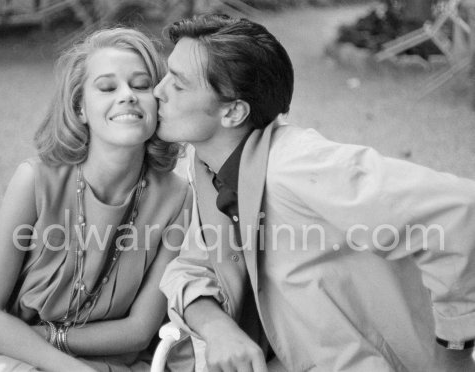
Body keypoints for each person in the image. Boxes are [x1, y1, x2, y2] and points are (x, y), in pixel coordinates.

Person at [156, 14, 475, 372]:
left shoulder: (296, 165)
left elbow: (460, 214)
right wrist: (217, 328)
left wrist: (454, 352)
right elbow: (188, 268)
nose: (158, 91)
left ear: (232, 111)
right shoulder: (210, 167)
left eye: (178, 84)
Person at [0, 28, 192, 372]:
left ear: (159, 102)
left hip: (104, 361)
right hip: (16, 357)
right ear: (80, 108)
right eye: (107, 87)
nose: (127, 96)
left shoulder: (179, 198)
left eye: (140, 85)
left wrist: (37, 335)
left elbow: (138, 331)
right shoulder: (34, 180)